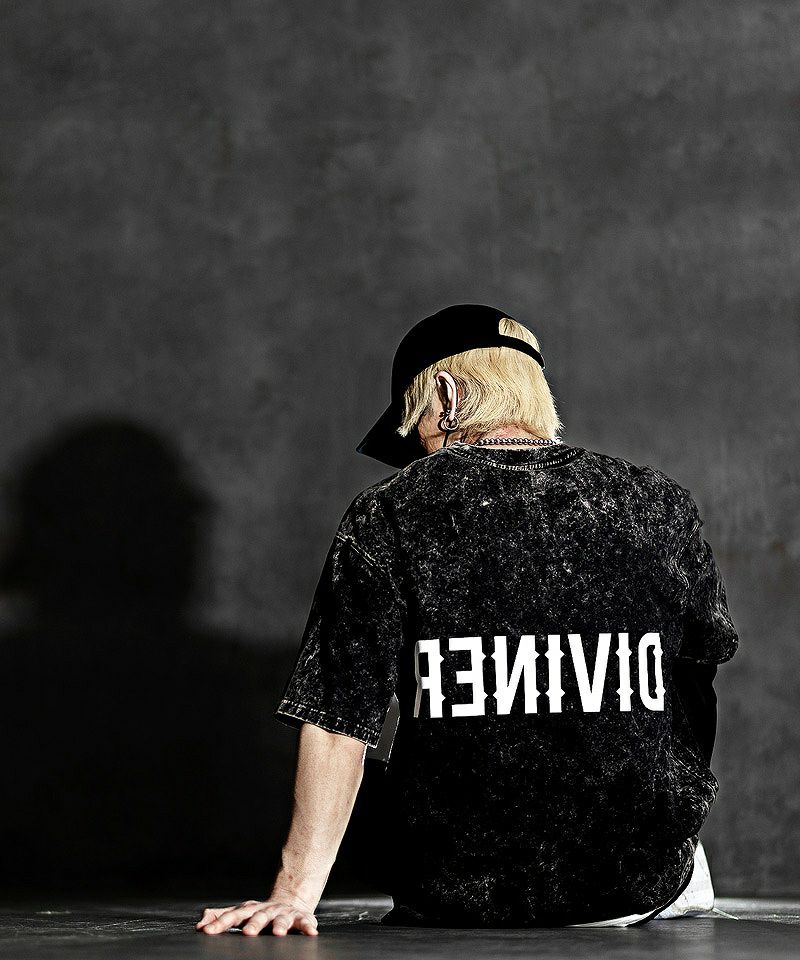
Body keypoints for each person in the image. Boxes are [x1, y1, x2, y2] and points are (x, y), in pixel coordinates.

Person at [197, 304, 739, 936]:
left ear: (448, 397)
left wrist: (294, 897)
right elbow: (697, 681)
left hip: (455, 896)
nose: (418, 453)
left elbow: (338, 718)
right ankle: (661, 859)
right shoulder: (658, 502)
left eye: (415, 428)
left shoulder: (388, 513)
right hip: (634, 886)